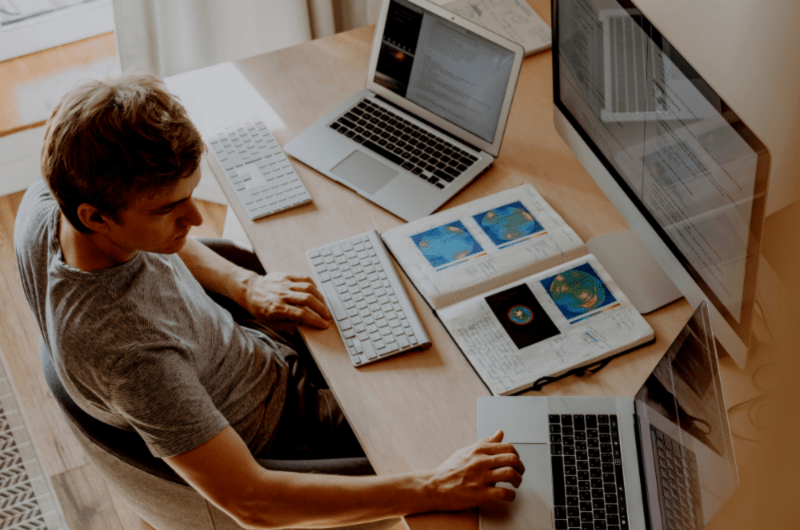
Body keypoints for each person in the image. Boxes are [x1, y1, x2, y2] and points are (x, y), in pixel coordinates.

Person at [14, 72, 524, 529]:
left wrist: (244, 286)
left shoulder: (51, 201)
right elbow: (253, 502)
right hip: (287, 437)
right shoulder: (131, 356)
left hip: (252, 355)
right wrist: (432, 488)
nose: (194, 220)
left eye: (192, 194)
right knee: (480, 425)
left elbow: (77, 127)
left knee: (426, 319)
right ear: (96, 216)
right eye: (171, 209)